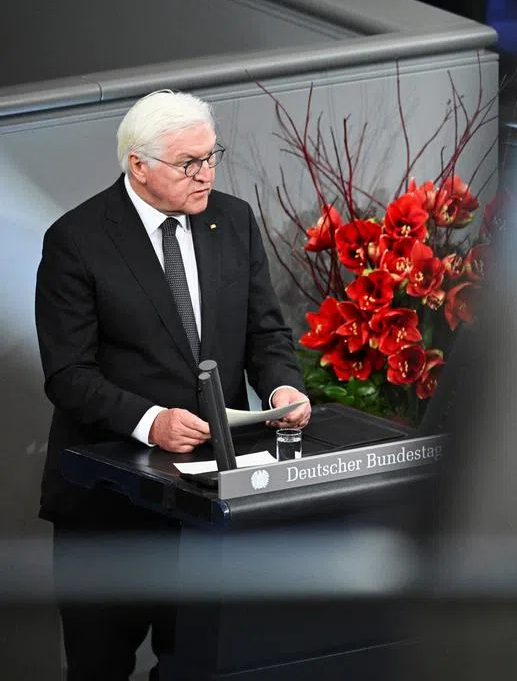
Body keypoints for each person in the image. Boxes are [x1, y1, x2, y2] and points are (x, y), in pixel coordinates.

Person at [35, 89, 312, 680]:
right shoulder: (76, 241)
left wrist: (282, 388)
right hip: (109, 506)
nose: (206, 173)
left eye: (212, 157)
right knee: (98, 668)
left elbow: (266, 332)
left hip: (210, 500)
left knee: (198, 666)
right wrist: (150, 421)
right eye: (190, 163)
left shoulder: (232, 219)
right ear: (138, 164)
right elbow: (68, 374)